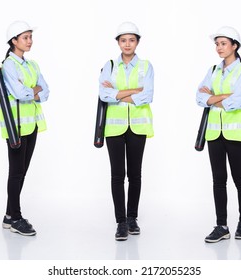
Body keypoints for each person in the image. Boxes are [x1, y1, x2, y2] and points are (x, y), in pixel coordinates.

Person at [196, 26, 241, 243]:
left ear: (234, 46)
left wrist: (213, 97)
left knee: (239, 178)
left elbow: (236, 102)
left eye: (223, 44)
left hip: (236, 132)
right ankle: (222, 226)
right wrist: (220, 97)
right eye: (217, 44)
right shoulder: (212, 70)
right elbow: (199, 96)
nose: (219, 48)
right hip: (214, 132)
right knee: (218, 180)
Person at [99, 22, 154, 241]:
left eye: (132, 40)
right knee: (117, 175)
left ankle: (132, 219)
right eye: (123, 40)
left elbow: (147, 95)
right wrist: (133, 92)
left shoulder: (146, 66)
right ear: (118, 43)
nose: (127, 44)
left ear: (137, 42)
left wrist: (117, 93)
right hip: (114, 127)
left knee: (135, 174)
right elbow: (103, 94)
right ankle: (120, 222)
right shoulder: (110, 65)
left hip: (138, 126)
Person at [0, 21, 49, 236]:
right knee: (16, 173)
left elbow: (45, 92)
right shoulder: (9, 65)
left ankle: (9, 216)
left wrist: (32, 90)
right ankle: (16, 217)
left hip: (32, 125)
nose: (29, 41)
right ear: (14, 41)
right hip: (16, 127)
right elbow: (20, 94)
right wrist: (33, 90)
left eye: (30, 37)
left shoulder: (32, 65)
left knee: (22, 172)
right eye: (25, 37)